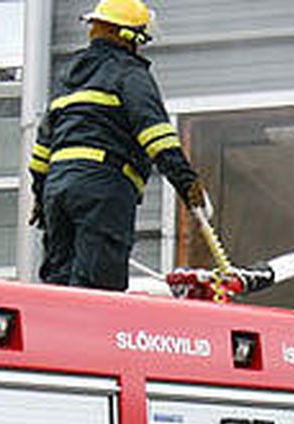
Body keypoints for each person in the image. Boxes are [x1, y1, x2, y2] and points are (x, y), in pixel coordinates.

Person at [29, 0, 213, 291]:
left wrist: (41, 195)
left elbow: (42, 149)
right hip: (102, 189)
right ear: (129, 37)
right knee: (96, 285)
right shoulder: (130, 74)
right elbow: (157, 136)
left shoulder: (69, 78)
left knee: (57, 284)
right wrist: (187, 183)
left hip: (57, 192)